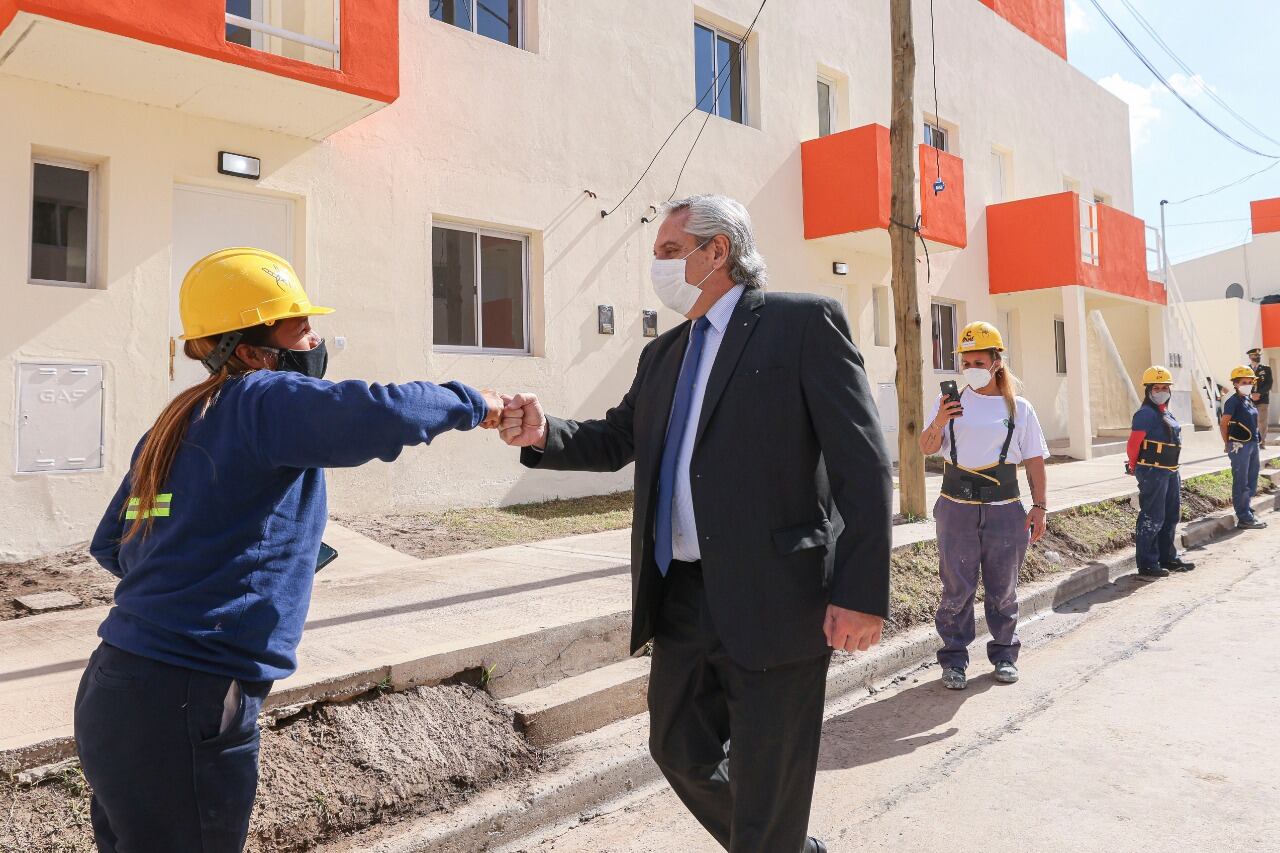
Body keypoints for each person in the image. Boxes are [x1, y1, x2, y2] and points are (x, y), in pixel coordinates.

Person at [75, 248, 504, 853]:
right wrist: (480, 405)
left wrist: (232, 556)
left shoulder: (176, 421)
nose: (315, 338)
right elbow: (378, 412)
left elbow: (113, 544)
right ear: (250, 349)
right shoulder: (262, 399)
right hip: (186, 699)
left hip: (116, 688)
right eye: (298, 326)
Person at [499, 195, 892, 853]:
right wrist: (546, 432)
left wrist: (859, 591)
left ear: (718, 252)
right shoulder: (665, 353)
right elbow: (619, 436)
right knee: (676, 747)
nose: (658, 266)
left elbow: (863, 463)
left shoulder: (800, 324)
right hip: (682, 595)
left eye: (669, 251)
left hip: (778, 596)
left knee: (768, 785)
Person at [920, 321, 1048, 691]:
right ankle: (954, 660)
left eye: (979, 360)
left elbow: (1035, 459)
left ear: (996, 361)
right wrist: (941, 420)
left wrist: (1039, 505)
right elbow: (927, 447)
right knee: (956, 588)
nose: (972, 367)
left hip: (1004, 508)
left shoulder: (1019, 408)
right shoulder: (949, 402)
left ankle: (1005, 654)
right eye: (967, 361)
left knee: (1003, 587)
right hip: (956, 507)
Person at [1125, 366, 1195, 579]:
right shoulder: (1145, 414)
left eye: (1165, 387)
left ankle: (1167, 557)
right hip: (1153, 471)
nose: (1162, 391)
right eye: (1157, 388)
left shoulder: (1165, 411)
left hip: (1171, 470)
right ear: (1148, 390)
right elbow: (1133, 444)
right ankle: (1147, 562)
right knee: (1153, 516)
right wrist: (1134, 465)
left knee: (1171, 515)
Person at [1221, 364, 1268, 530]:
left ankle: (1247, 510)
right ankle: (1243, 517)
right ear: (1235, 384)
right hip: (1239, 445)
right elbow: (1224, 422)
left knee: (1252, 480)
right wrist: (1227, 443)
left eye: (1250, 381)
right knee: (1241, 481)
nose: (1248, 384)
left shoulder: (1248, 400)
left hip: (1253, 443)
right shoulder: (1232, 402)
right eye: (1244, 382)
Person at [1246, 347, 1272, 444]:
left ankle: (1262, 441)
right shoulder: (1246, 369)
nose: (1258, 357)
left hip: (1263, 399)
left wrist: (1259, 393)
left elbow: (1269, 384)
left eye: (1258, 355)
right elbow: (1244, 383)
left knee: (1262, 421)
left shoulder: (1266, 368)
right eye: (1255, 355)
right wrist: (1251, 394)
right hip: (1250, 399)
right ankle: (1252, 440)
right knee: (1251, 420)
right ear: (1250, 357)